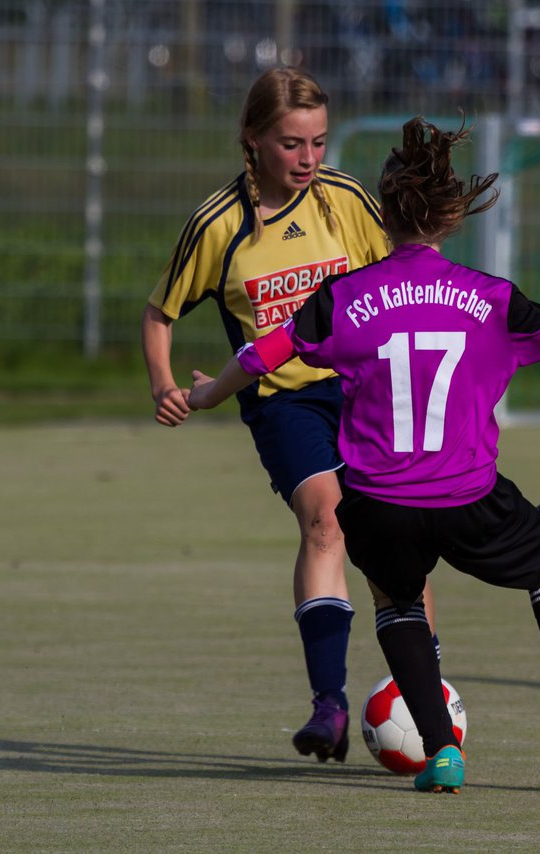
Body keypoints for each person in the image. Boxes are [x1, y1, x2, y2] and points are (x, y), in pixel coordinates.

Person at [183, 116, 540, 793]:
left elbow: (261, 354)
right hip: (468, 496)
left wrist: (210, 394)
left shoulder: (342, 299)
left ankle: (439, 751)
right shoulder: (491, 299)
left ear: (383, 217)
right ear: (450, 218)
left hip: (376, 500)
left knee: (397, 601)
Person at [141, 67, 440, 765]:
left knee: (395, 547)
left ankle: (424, 698)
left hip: (365, 387)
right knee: (326, 518)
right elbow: (160, 313)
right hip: (283, 399)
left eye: (319, 142)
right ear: (252, 140)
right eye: (291, 144)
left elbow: (396, 276)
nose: (308, 159)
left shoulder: (344, 200)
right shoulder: (218, 225)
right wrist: (163, 384)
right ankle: (329, 704)